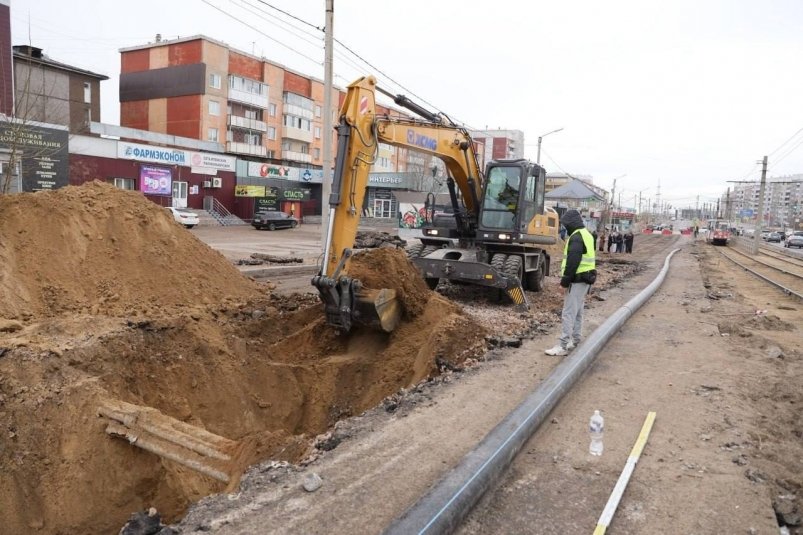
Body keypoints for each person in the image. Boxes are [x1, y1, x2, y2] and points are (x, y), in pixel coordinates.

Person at [545, 209, 597, 356]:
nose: (565, 227)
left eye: (566, 225)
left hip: (577, 280)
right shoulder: (587, 234)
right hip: (586, 279)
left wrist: (564, 283)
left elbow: (573, 263)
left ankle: (562, 345)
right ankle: (575, 340)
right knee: (578, 311)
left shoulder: (576, 237)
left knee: (568, 312)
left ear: (571, 224)